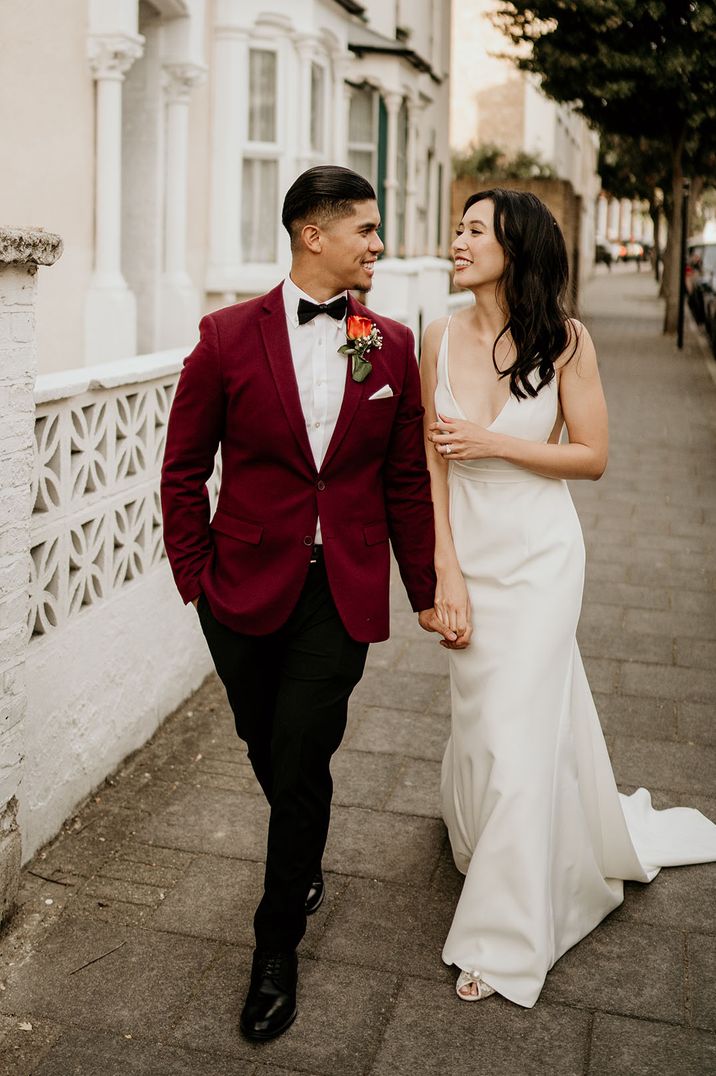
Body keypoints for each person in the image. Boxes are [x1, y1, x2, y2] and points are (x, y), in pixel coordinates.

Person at [161, 165, 452, 1041]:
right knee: (273, 747)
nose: (380, 244)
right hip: (239, 587)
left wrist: (427, 589)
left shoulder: (391, 344)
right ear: (310, 235)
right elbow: (183, 469)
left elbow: (404, 478)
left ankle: (275, 944)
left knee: (302, 746)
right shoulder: (224, 337)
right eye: (365, 229)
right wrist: (195, 578)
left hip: (343, 588)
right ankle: (303, 847)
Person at [420, 188, 716, 1008]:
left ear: (516, 247)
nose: (459, 238)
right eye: (460, 227)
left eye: (476, 229)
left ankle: (508, 938)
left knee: (517, 726)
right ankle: (493, 834)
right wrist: (442, 569)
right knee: (485, 713)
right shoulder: (438, 339)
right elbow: (431, 467)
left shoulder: (567, 341)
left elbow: (592, 458)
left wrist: (490, 440)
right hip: (470, 553)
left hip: (541, 557)